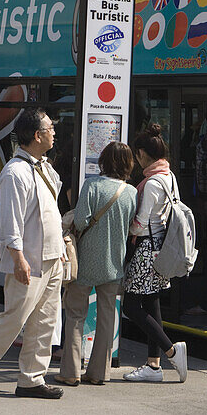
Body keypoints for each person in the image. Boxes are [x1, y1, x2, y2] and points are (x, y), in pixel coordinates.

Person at [0, 109, 66, 400]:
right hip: (29, 260)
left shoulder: (46, 168)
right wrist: (19, 259)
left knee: (45, 322)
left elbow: (51, 213)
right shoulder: (15, 172)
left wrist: (59, 249)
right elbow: (11, 223)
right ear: (37, 135)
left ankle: (32, 379)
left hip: (50, 257)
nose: (54, 132)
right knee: (15, 319)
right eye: (50, 128)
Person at [55, 142, 137, 387]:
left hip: (86, 262)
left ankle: (70, 372)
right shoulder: (131, 192)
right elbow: (132, 225)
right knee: (106, 318)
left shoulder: (92, 185)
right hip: (114, 263)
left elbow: (80, 221)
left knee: (75, 315)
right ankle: (99, 372)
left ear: (103, 161)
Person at [121, 124, 188, 383]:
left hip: (147, 248)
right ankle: (153, 365)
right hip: (162, 247)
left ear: (141, 154)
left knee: (131, 305)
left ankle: (172, 350)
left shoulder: (151, 183)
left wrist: (127, 229)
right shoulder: (169, 176)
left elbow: (141, 222)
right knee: (151, 302)